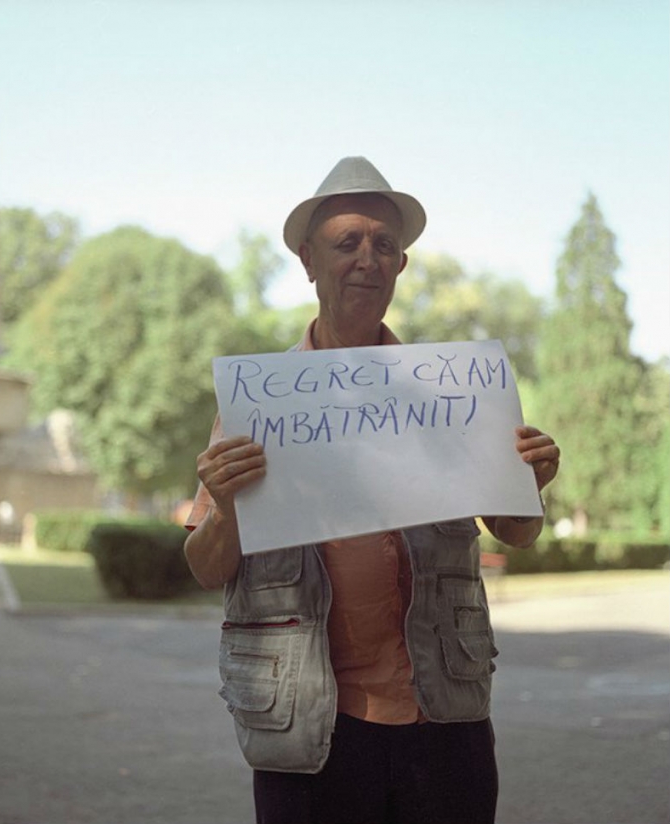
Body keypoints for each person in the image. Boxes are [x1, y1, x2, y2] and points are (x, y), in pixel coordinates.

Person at [183, 156, 560, 824]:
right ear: (306, 261)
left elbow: (516, 532)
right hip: (310, 729)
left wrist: (528, 486)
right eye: (346, 242)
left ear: (401, 265)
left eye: (384, 245)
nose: (367, 258)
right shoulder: (256, 404)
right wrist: (226, 503)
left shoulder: (454, 392)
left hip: (441, 716)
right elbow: (208, 567)